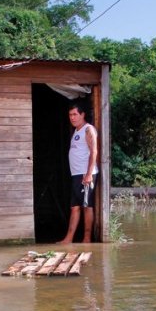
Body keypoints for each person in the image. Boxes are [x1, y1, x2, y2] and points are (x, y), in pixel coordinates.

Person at [58, 103, 98, 244]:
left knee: (86, 206)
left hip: (85, 174)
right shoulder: (76, 130)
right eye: (70, 115)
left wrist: (88, 175)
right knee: (74, 207)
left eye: (75, 114)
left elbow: (94, 151)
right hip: (76, 174)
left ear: (82, 115)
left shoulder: (88, 130)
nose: (72, 118)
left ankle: (86, 239)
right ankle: (69, 238)